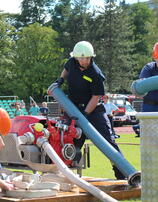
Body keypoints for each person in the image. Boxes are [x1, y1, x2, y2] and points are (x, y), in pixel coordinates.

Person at [52, 40, 126, 180]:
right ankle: (61, 174)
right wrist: (60, 80)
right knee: (67, 140)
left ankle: (122, 173)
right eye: (81, 58)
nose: (84, 61)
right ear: (76, 57)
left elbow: (96, 96)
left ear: (91, 56)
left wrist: (85, 115)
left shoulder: (95, 73)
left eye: (87, 58)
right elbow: (66, 70)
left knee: (107, 141)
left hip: (94, 111)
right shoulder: (71, 62)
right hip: (73, 108)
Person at [133, 42, 158, 138]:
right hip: (149, 107)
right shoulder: (148, 68)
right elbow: (141, 86)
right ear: (154, 58)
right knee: (149, 137)